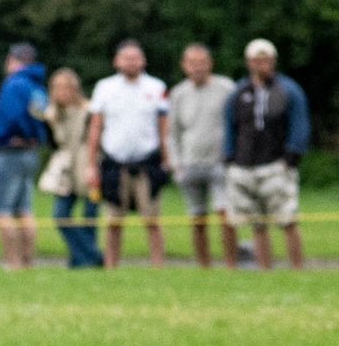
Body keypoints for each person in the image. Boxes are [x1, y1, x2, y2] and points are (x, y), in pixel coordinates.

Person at [222, 38, 310, 271]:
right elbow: (229, 125)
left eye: (268, 60)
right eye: (258, 60)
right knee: (256, 224)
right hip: (244, 165)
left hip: (276, 165)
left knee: (287, 219)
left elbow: (300, 124)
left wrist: (291, 157)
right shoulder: (239, 92)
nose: (264, 65)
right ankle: (264, 271)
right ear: (249, 62)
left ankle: (297, 270)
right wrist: (229, 157)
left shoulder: (288, 90)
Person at [84, 39, 170, 269]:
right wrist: (90, 164)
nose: (131, 62)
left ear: (143, 61)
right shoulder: (105, 87)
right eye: (126, 57)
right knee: (113, 222)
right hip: (115, 163)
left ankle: (158, 268)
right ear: (116, 61)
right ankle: (111, 267)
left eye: (135, 57)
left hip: (147, 164)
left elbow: (163, 127)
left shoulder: (156, 87)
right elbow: (95, 127)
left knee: (152, 220)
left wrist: (167, 159)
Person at [167, 42, 237, 269]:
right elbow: (172, 133)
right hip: (190, 164)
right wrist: (176, 163)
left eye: (202, 62)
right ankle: (204, 266)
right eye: (192, 63)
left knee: (225, 215)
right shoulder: (178, 93)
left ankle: (231, 265)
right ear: (184, 65)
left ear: (210, 64)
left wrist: (234, 156)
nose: (197, 67)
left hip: (220, 162)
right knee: (197, 219)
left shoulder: (226, 88)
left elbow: (237, 123)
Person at [0, 42, 46, 268]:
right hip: (31, 151)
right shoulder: (36, 85)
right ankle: (27, 263)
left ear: (12, 60)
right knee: (24, 210)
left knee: (2, 211)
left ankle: (13, 263)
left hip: (10, 151)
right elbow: (41, 116)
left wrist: (7, 136)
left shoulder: (14, 84)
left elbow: (12, 116)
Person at [39, 67, 103, 268]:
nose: (63, 92)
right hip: (66, 171)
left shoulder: (89, 110)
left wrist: (93, 166)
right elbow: (53, 144)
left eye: (66, 87)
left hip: (89, 168)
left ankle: (81, 261)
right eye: (58, 88)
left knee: (90, 216)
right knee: (60, 215)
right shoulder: (51, 114)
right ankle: (94, 256)